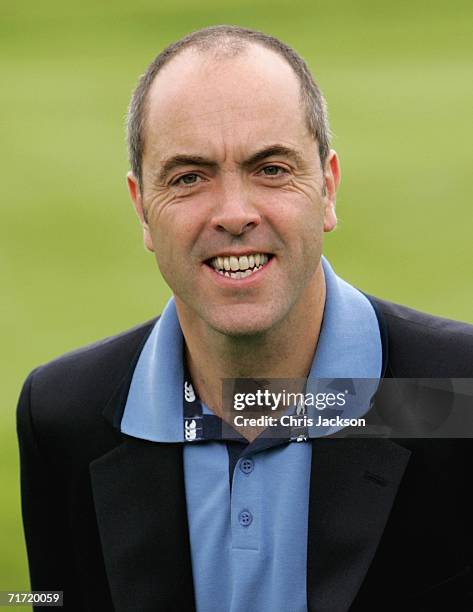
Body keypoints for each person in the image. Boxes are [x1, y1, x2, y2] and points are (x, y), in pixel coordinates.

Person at [17, 25, 473, 612]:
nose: (234, 214)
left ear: (328, 188)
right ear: (141, 208)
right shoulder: (64, 417)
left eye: (272, 169)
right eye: (189, 177)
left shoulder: (455, 395)